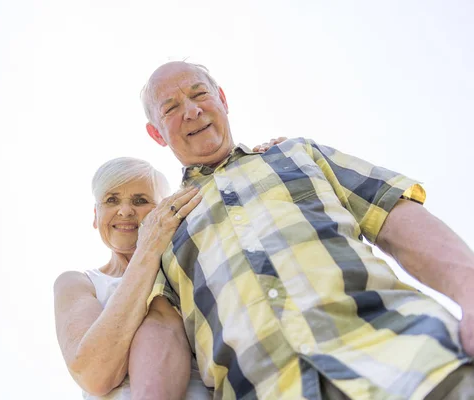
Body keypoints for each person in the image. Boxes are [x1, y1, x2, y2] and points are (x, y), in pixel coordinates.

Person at [137, 61, 474, 399]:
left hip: (414, 358)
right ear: (156, 133)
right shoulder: (164, 229)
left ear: (222, 99)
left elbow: (392, 216)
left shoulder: (296, 153)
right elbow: (163, 328)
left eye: (200, 94)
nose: (192, 111)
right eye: (171, 108)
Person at [54, 148, 283, 399]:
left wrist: (269, 154)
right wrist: (148, 249)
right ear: (96, 216)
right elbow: (94, 374)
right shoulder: (79, 282)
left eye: (140, 200)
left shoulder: (189, 270)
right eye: (111, 200)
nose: (125, 210)